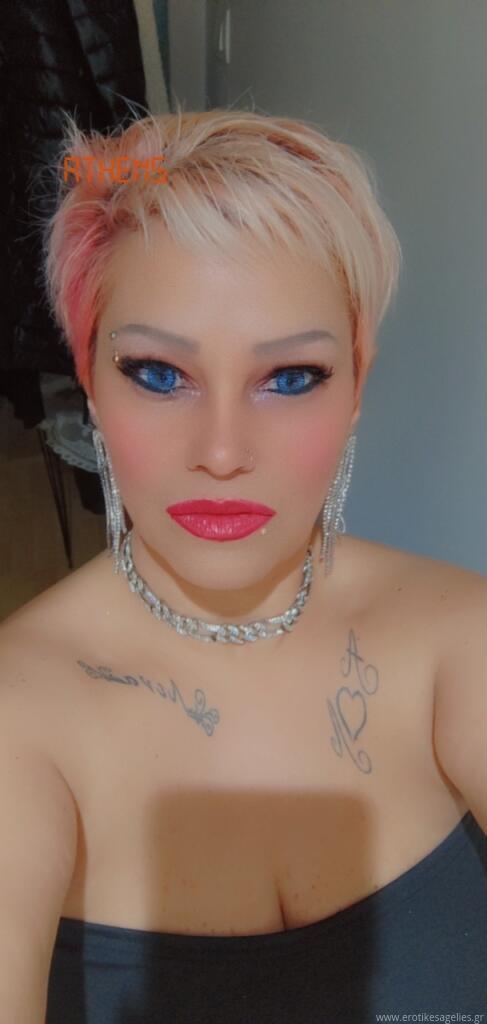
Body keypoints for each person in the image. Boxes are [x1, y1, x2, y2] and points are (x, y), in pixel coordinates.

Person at [0, 106, 486, 1024]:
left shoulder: (462, 640)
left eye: (290, 377)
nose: (221, 452)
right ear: (90, 380)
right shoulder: (17, 719)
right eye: (157, 373)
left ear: (356, 385)